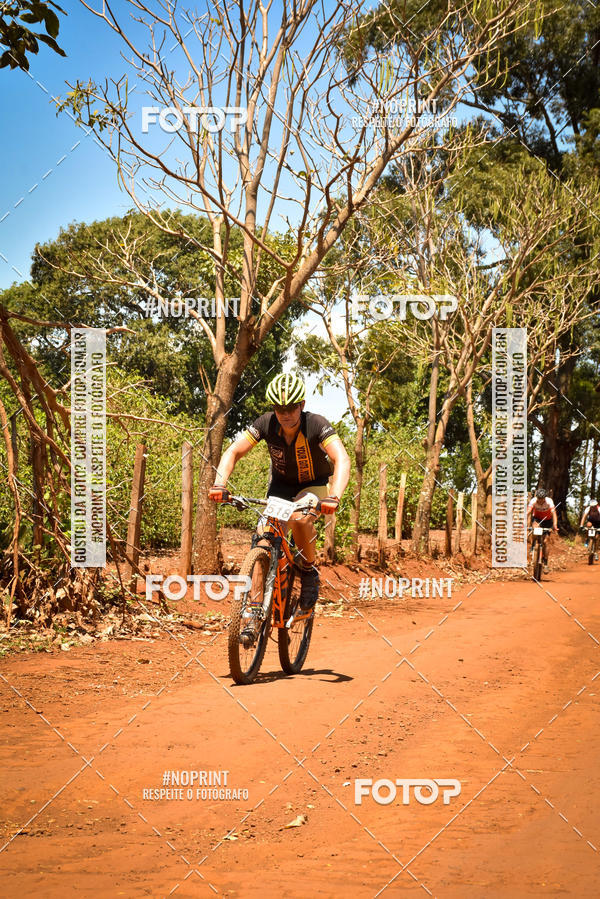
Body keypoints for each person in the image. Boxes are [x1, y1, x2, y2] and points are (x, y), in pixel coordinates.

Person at [208, 372, 350, 613]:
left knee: (298, 517)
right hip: (281, 488)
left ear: (302, 405)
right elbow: (234, 452)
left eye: (291, 408)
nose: (285, 414)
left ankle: (308, 571)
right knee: (263, 538)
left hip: (313, 485)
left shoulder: (316, 423)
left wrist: (334, 496)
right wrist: (220, 483)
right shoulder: (266, 423)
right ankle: (254, 608)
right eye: (279, 408)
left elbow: (342, 458)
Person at [527, 488, 558, 574]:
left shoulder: (549, 501)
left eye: (542, 499)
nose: (540, 501)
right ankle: (534, 545)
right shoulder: (533, 501)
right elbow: (528, 511)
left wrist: (555, 525)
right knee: (535, 528)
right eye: (538, 499)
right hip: (537, 519)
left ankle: (545, 563)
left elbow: (554, 513)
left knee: (546, 541)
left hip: (547, 521)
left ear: (544, 498)